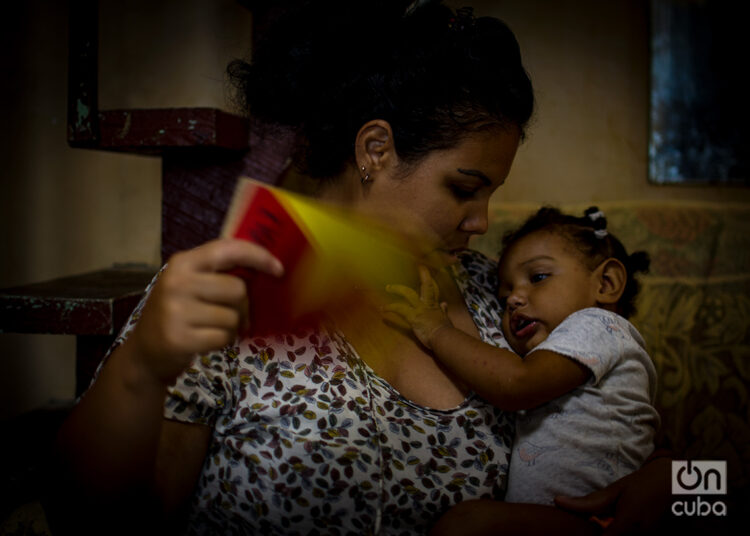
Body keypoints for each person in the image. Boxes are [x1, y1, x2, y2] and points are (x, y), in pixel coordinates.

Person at [51, 2, 671, 535]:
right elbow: (88, 525)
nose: (482, 222)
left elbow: (641, 450)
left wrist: (683, 487)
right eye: (464, 188)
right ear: (375, 149)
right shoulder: (221, 298)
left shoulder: (508, 299)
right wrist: (140, 371)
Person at [385, 206, 660, 534]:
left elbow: (516, 382)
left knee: (467, 525)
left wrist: (438, 331)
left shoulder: (599, 326)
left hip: (597, 520)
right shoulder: (567, 349)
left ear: (606, 282)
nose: (514, 299)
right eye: (503, 299)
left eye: (538, 277)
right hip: (563, 516)